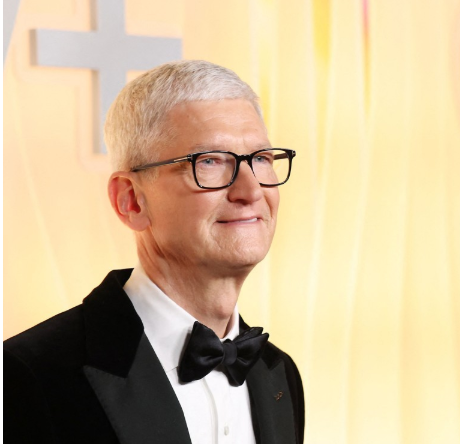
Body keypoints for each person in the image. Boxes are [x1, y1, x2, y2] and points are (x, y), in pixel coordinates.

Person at [4, 60, 304, 444]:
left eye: (260, 159)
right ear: (131, 201)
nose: (250, 191)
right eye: (210, 161)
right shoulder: (27, 375)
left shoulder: (278, 373)